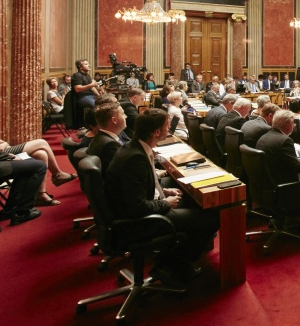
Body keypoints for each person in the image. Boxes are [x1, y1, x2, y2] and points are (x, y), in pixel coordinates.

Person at [105, 108, 219, 287]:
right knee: (212, 217)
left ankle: (175, 256)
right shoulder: (135, 159)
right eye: (167, 126)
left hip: (136, 210)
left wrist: (164, 192)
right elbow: (138, 207)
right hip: (138, 222)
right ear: (157, 132)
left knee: (195, 201)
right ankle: (170, 265)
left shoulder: (136, 147)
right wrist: (165, 202)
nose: (169, 130)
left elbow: (139, 188)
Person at [0, 87, 76, 206]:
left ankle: (41, 194)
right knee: (42, 143)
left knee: (41, 154)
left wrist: (1, 142)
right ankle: (58, 174)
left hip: (0, 151)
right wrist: (4, 151)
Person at [87, 102, 126, 178]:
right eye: (123, 114)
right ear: (114, 120)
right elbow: (123, 171)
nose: (126, 116)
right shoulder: (110, 145)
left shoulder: (101, 137)